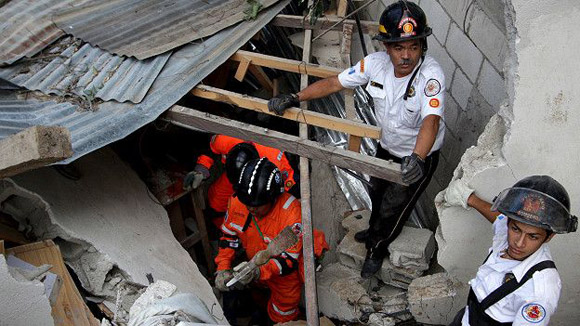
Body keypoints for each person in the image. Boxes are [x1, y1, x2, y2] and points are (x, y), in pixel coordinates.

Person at [268, 0, 445, 278]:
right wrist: (295, 97)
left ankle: (377, 248)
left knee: (394, 208)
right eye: (399, 47)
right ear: (387, 47)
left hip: (417, 156)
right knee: (376, 192)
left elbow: (430, 121)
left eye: (414, 47)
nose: (407, 56)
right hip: (387, 147)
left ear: (423, 46)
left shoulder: (430, 76)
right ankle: (374, 230)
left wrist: (418, 158)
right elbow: (334, 83)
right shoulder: (374, 65)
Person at [443, 176, 578, 325]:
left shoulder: (540, 292)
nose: (519, 243)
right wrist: (469, 198)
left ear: (549, 237)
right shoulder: (506, 232)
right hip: (467, 317)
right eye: (515, 229)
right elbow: (498, 219)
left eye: (533, 237)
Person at [213, 158, 318, 323]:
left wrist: (258, 272)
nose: (250, 208)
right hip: (254, 264)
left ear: (273, 198)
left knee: (283, 313)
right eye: (247, 203)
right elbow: (228, 238)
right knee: (256, 298)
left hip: (284, 277)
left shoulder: (291, 215)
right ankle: (259, 310)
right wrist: (223, 267)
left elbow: (288, 261)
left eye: (257, 204)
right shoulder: (237, 202)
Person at [183, 134, 299, 228]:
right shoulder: (225, 140)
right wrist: (201, 170)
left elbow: (291, 190)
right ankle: (224, 230)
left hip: (261, 181)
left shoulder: (277, 164)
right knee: (216, 200)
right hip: (233, 176)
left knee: (264, 208)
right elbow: (211, 149)